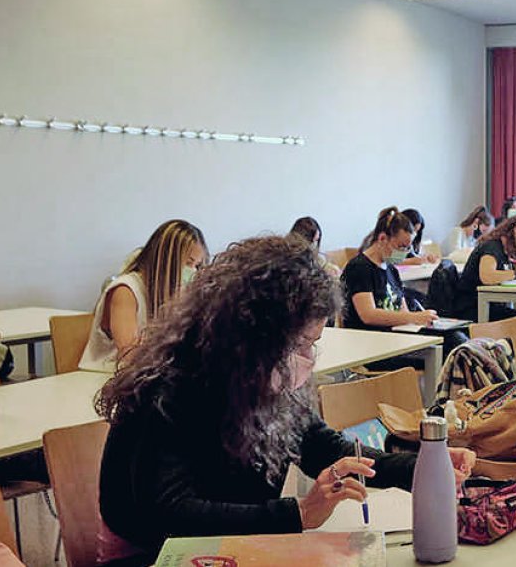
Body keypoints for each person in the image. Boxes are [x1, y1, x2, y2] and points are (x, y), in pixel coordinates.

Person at [94, 236, 474, 566]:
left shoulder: (261, 380)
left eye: (312, 344)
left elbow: (325, 448)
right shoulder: (168, 390)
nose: (308, 357)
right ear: (252, 336)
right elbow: (170, 514)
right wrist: (297, 514)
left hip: (236, 548)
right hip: (152, 555)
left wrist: (424, 465)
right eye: (300, 344)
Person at [80, 220, 208, 372]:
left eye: (197, 265)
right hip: (105, 378)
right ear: (167, 260)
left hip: (144, 378)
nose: (193, 271)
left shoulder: (175, 292)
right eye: (188, 263)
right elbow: (129, 355)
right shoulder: (125, 290)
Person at [341, 207, 437, 331]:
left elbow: (403, 311)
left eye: (408, 248)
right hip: (370, 338)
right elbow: (368, 315)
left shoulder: (391, 270)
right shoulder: (359, 267)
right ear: (382, 239)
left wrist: (417, 319)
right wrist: (414, 317)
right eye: (401, 246)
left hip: (396, 334)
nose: (404, 252)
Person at [453, 213, 516, 321]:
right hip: (473, 306)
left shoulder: (508, 250)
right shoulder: (492, 246)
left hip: (490, 304)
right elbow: (487, 276)